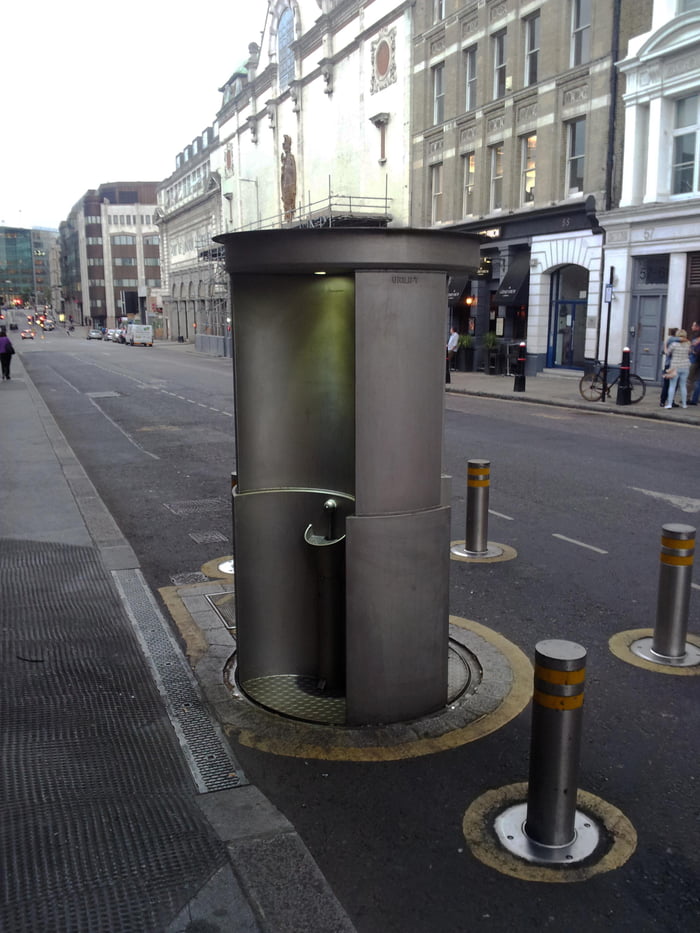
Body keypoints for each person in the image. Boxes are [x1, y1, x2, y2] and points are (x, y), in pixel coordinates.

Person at [664, 329, 691, 409]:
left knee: (672, 385)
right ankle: (684, 404)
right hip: (685, 366)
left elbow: (668, 353)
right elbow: (689, 353)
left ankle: (669, 404)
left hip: (674, 367)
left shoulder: (674, 344)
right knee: (683, 385)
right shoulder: (688, 344)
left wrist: (665, 347)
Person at [660, 328, 679, 408]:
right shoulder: (676, 341)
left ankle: (662, 401)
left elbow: (663, 351)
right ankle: (670, 401)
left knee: (666, 384)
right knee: (673, 384)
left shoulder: (668, 340)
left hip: (668, 364)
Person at [687, 321, 700, 404]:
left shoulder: (696, 336)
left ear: (697, 327)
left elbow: (693, 348)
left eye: (693, 325)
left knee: (689, 380)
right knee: (698, 381)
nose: (692, 327)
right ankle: (695, 399)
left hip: (694, 360)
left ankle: (687, 398)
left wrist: (692, 351)